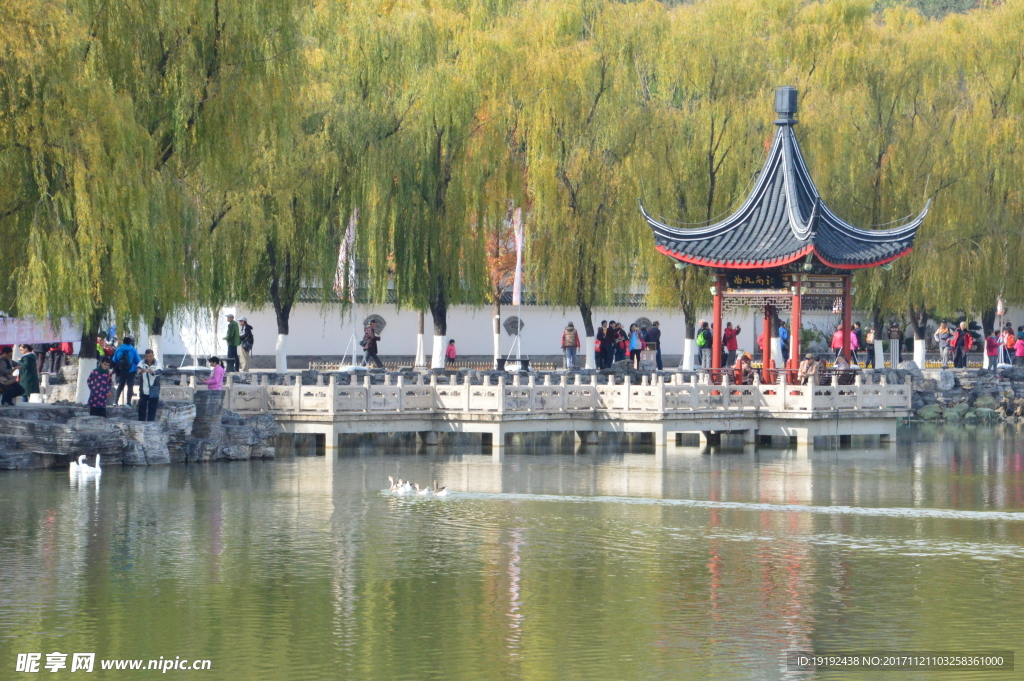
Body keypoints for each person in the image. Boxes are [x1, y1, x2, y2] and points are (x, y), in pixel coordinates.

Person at [112, 336, 141, 406]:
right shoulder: (133, 350)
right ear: (130, 342)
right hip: (131, 371)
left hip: (121, 371)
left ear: (123, 341)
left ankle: (115, 402)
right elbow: (138, 360)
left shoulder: (118, 349)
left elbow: (114, 360)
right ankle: (128, 402)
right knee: (130, 386)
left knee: (120, 386)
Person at [136, 349, 162, 421]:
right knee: (142, 406)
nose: (149, 358)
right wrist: (140, 371)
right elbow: (137, 369)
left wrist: (153, 372)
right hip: (144, 389)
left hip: (153, 389)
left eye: (150, 356)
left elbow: (159, 371)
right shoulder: (142, 363)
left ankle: (151, 422)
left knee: (152, 407)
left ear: (153, 355)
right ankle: (141, 422)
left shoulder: (157, 363)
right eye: (147, 356)